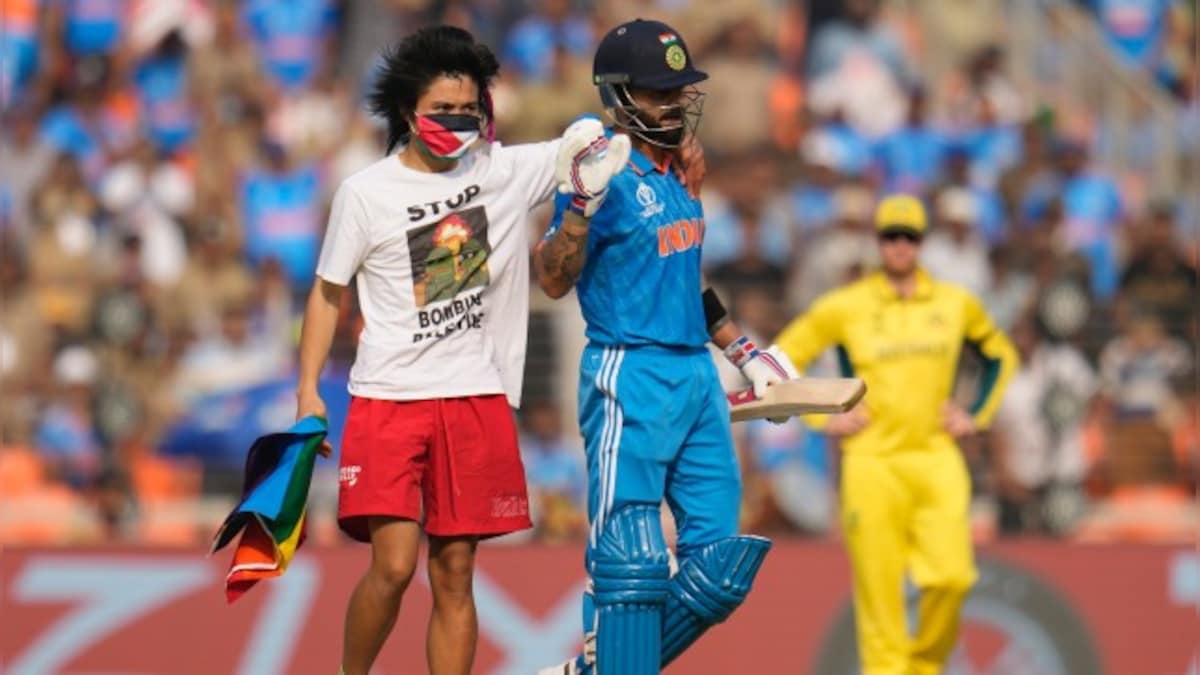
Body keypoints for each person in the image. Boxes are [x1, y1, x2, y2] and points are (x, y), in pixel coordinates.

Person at [294, 26, 629, 675]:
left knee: (455, 573)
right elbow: (326, 294)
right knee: (391, 568)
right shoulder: (366, 193)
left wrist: (600, 138)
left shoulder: (503, 170)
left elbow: (590, 143)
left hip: (475, 396)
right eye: (441, 111)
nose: (456, 123)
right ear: (405, 113)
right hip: (388, 398)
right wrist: (308, 390)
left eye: (468, 111)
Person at [535, 19, 780, 675]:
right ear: (619, 95)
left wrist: (745, 352)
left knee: (721, 567)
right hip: (629, 371)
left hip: (696, 376)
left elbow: (686, 278)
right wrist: (579, 207)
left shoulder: (681, 172)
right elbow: (553, 278)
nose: (673, 102)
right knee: (631, 561)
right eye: (656, 91)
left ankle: (588, 671)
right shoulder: (601, 173)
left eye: (678, 89)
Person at [773, 194, 1019, 675]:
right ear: (878, 242)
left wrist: (975, 415)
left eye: (909, 237)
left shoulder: (954, 303)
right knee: (880, 599)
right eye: (891, 237)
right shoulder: (847, 306)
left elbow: (1000, 356)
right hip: (871, 464)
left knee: (952, 577)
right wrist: (822, 416)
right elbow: (780, 361)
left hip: (936, 457)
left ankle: (924, 666)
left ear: (923, 243)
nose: (900, 246)